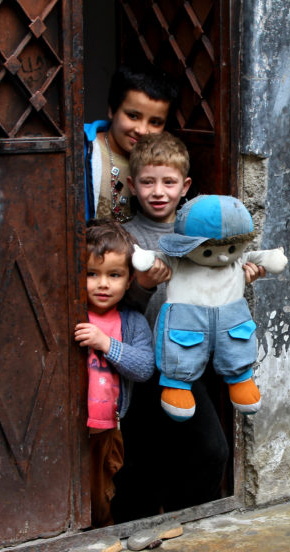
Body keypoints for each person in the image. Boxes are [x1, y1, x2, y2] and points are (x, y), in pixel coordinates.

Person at [110, 132, 227, 522]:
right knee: (142, 459)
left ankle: (185, 521)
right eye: (147, 181)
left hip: (190, 365)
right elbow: (116, 305)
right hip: (141, 369)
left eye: (168, 182)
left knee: (211, 451)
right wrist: (142, 288)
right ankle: (139, 529)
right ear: (132, 184)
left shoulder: (197, 237)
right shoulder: (126, 238)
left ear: (185, 186)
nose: (158, 192)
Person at [73, 220, 154, 527]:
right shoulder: (73, 313)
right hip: (69, 430)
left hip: (107, 429)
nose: (103, 284)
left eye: (114, 275)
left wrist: (106, 343)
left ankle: (99, 543)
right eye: (92, 274)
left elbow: (145, 367)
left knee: (100, 495)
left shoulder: (131, 321)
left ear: (129, 279)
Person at [84, 63, 178, 223]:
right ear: (112, 110)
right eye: (133, 116)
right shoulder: (82, 151)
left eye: (155, 122)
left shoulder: (169, 163)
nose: (142, 130)